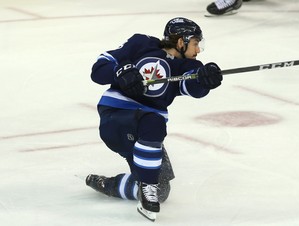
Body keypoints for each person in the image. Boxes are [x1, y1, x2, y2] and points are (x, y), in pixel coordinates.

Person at [86, 17, 223, 221]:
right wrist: (120, 72)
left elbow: (194, 87)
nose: (198, 50)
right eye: (196, 43)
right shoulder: (141, 43)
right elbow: (98, 70)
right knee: (155, 123)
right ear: (180, 42)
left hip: (142, 127)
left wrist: (205, 79)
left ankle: (111, 184)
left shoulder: (186, 66)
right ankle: (147, 183)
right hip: (116, 117)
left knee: (162, 189)